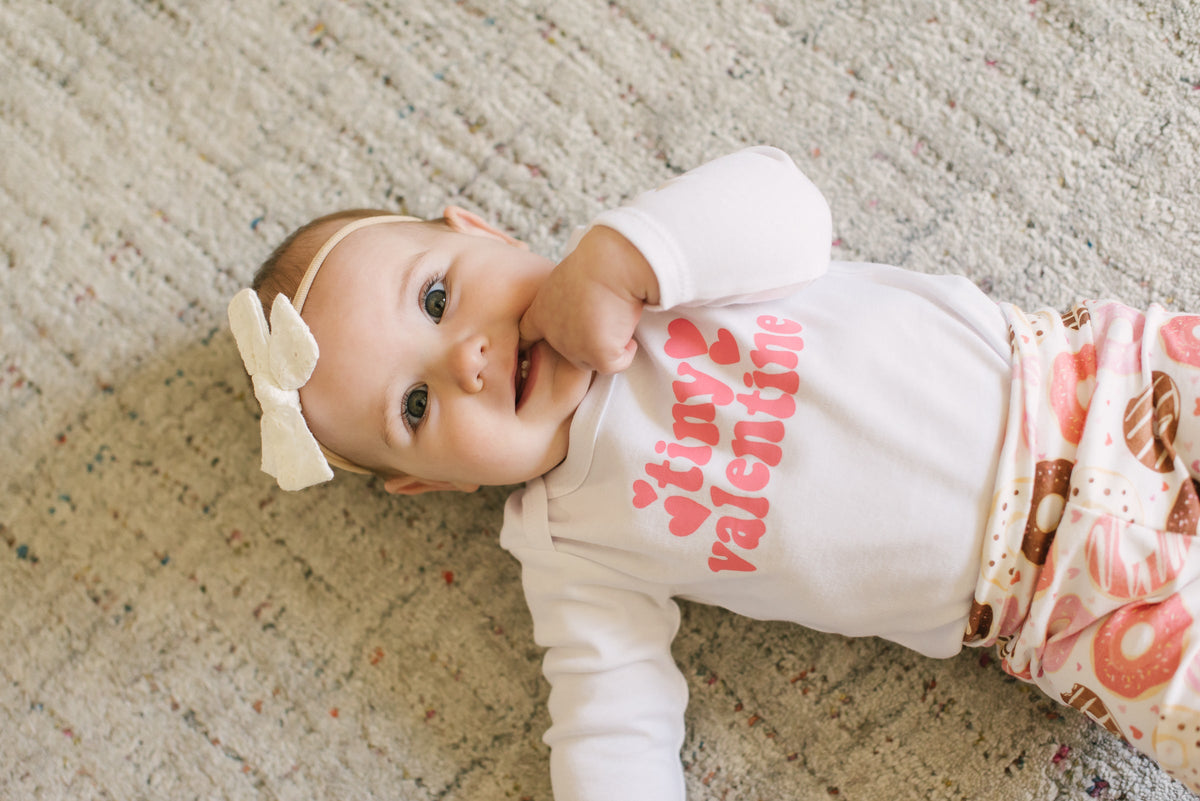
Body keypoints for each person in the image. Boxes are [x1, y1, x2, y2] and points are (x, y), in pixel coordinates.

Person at [229, 146, 1200, 799]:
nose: (464, 360)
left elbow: (786, 202)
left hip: (1101, 386)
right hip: (1064, 608)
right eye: (416, 408)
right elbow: (609, 712)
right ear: (432, 485)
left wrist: (621, 261)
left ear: (479, 229)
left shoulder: (661, 262)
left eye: (438, 297)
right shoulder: (570, 548)